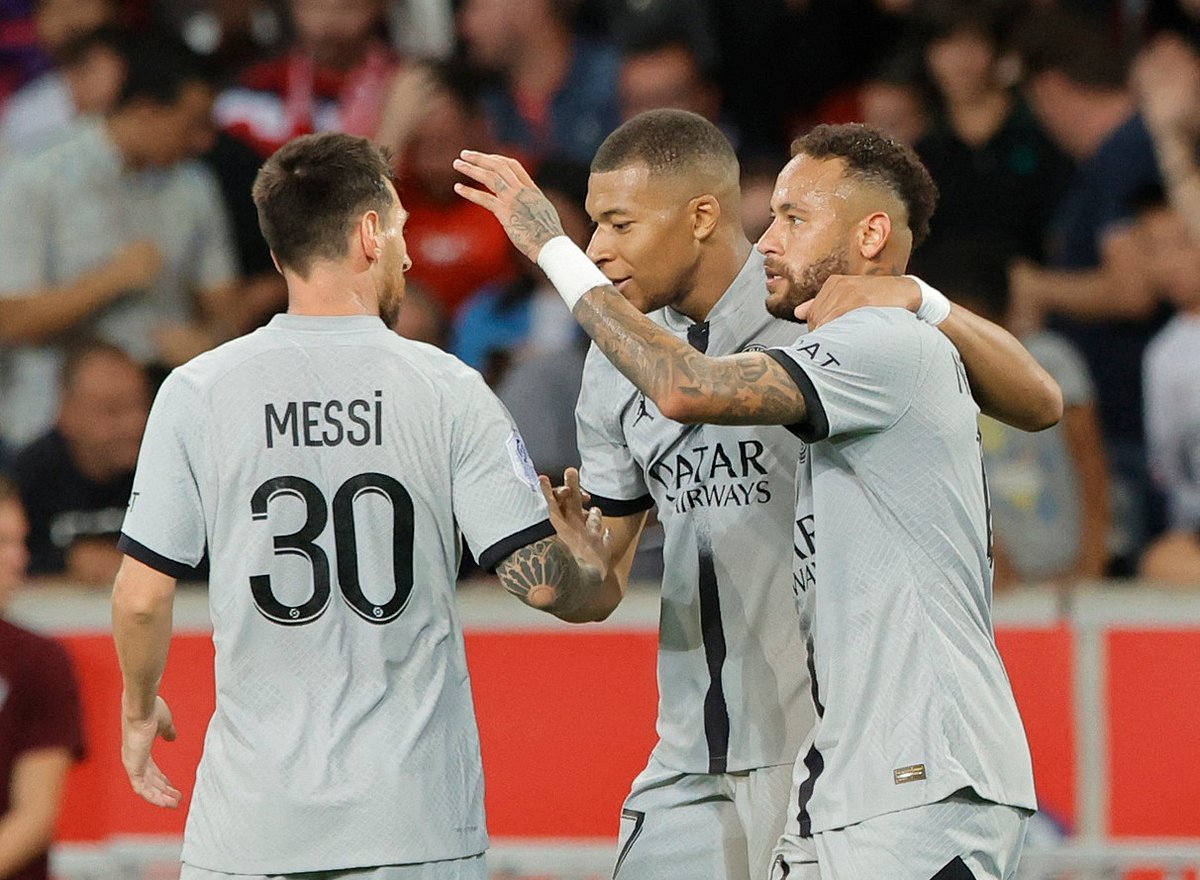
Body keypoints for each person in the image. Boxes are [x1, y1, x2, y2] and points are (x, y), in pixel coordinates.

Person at [456, 112, 1056, 879]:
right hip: (695, 755)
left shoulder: (823, 326)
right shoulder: (616, 360)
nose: (601, 248)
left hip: (830, 751)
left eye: (618, 224)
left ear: (701, 215)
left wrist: (920, 299)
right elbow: (601, 578)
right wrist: (557, 574)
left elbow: (1039, 401)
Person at [111, 131, 614, 880]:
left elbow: (144, 598)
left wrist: (138, 704)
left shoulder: (197, 390)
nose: (410, 257)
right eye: (404, 230)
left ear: (279, 254)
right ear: (370, 234)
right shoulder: (446, 387)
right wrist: (590, 568)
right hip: (412, 823)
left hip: (250, 830)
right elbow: (538, 581)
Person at [0, 32, 237, 451]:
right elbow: (10, 320)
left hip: (166, 422)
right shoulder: (33, 177)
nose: (204, 142)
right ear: (147, 111)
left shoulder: (194, 186)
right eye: (192, 124)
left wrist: (207, 339)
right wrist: (109, 281)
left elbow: (224, 307)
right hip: (51, 430)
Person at [0, 476, 87, 880]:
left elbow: (34, 817)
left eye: (20, 541)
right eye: (2, 542)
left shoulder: (38, 660)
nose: (20, 557)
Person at [11, 341, 150, 586]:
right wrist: (67, 562)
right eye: (113, 411)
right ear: (68, 413)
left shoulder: (167, 469)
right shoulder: (28, 475)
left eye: (141, 405)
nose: (136, 424)